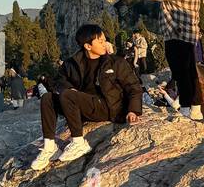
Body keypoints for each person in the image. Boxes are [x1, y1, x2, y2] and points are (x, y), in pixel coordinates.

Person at [31, 23, 142, 170]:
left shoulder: (115, 62)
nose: (105, 44)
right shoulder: (72, 64)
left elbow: (134, 87)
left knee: (68, 95)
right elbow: (59, 82)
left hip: (108, 108)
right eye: (100, 41)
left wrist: (133, 110)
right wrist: (69, 90)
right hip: (81, 108)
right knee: (48, 98)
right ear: (87, 46)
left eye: (104, 40)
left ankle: (78, 143)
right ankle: (50, 147)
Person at [139, 0, 203, 121]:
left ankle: (187, 108)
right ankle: (194, 107)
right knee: (188, 72)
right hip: (186, 35)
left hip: (177, 34)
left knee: (181, 72)